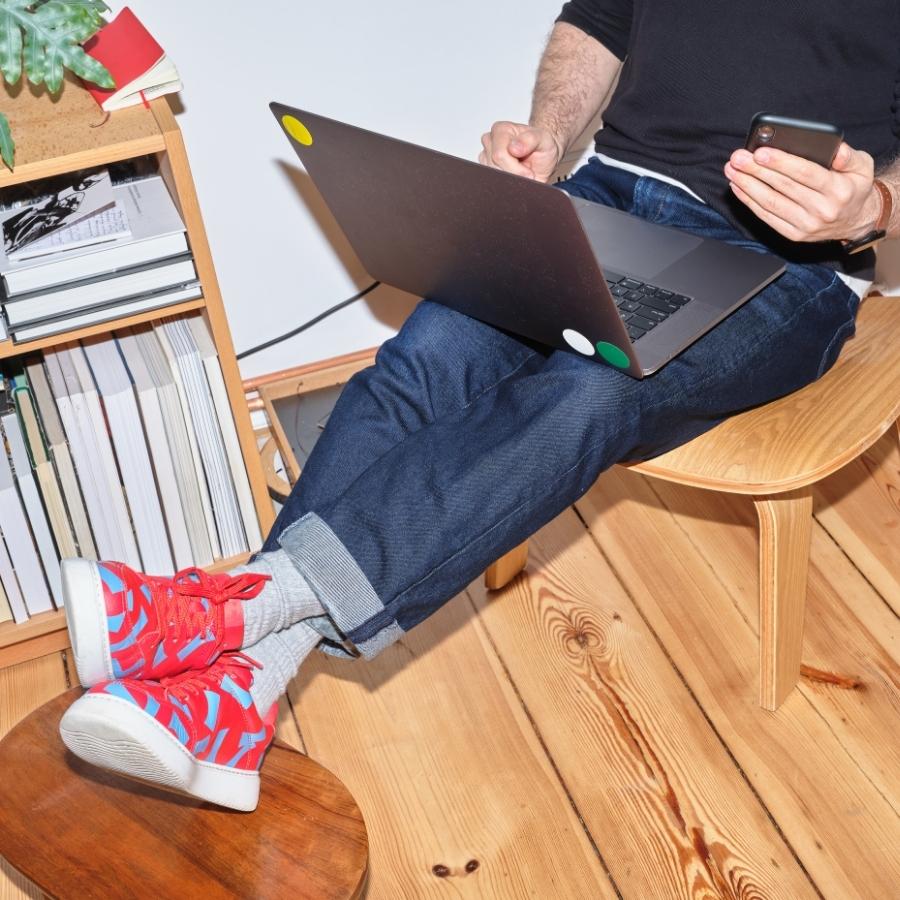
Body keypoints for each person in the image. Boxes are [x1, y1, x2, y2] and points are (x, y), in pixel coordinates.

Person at [59, 0, 899, 811]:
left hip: (788, 265)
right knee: (428, 355)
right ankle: (238, 695)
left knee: (595, 386)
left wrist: (873, 207)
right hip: (605, 194)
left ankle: (217, 616)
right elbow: (598, 21)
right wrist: (552, 139)